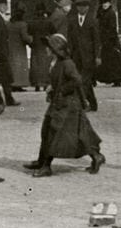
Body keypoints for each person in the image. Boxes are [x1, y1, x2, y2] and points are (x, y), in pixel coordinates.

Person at [24, 34, 104, 177]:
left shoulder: (67, 63)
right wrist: (53, 88)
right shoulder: (56, 62)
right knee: (53, 130)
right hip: (60, 103)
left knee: (54, 132)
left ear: (56, 49)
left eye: (49, 47)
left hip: (67, 105)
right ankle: (43, 161)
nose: (47, 49)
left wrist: (60, 90)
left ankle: (46, 166)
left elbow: (77, 81)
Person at [67, 0, 100, 111]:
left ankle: (82, 105)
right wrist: (69, 53)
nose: (81, 8)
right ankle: (93, 104)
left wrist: (97, 56)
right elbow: (70, 38)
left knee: (84, 81)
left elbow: (96, 40)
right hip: (76, 56)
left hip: (89, 56)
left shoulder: (93, 21)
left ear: (88, 8)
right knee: (85, 81)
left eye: (84, 6)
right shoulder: (72, 21)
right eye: (79, 6)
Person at [95, 0, 121, 87]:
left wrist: (110, 39)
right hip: (105, 40)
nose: (105, 5)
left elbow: (112, 28)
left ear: (109, 4)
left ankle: (116, 79)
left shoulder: (111, 13)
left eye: (106, 3)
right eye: (103, 3)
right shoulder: (102, 13)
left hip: (111, 40)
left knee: (114, 60)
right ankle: (110, 78)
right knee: (108, 60)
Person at [26, 3, 53, 92]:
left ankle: (37, 84)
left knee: (35, 65)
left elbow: (29, 33)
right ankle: (45, 83)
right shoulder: (48, 22)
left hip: (35, 45)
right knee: (45, 65)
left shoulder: (31, 22)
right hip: (45, 45)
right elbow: (53, 31)